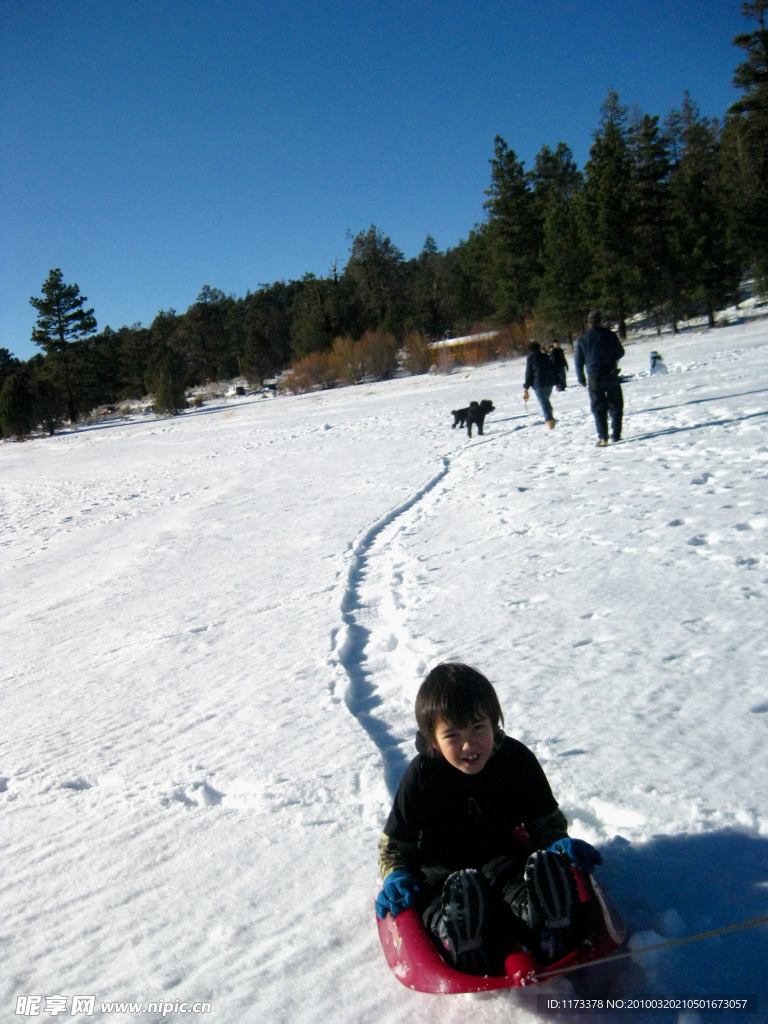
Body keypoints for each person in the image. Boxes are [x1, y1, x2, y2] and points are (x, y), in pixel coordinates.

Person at [375, 663, 602, 974]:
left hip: (500, 856)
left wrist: (558, 843)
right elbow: (396, 844)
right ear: (432, 741)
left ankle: (546, 919)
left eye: (478, 728)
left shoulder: (515, 760)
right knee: (442, 898)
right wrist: (396, 874)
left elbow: (543, 820)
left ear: (494, 724)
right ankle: (456, 933)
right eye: (452, 735)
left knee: (516, 882)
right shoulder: (422, 776)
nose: (469, 745)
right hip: (439, 868)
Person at [574, 310, 625, 446]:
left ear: (589, 323)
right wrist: (611, 357)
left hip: (594, 376)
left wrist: (581, 378)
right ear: (601, 321)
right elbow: (620, 352)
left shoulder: (582, 339)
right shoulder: (610, 335)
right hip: (611, 373)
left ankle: (603, 437)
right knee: (616, 404)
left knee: (598, 406)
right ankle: (616, 434)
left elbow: (578, 361)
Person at [523, 341, 558, 429]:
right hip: (549, 383)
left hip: (538, 384)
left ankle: (550, 423)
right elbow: (553, 369)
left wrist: (526, 386)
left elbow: (529, 373)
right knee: (545, 401)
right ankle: (550, 415)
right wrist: (557, 381)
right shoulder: (546, 357)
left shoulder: (530, 359)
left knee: (544, 403)